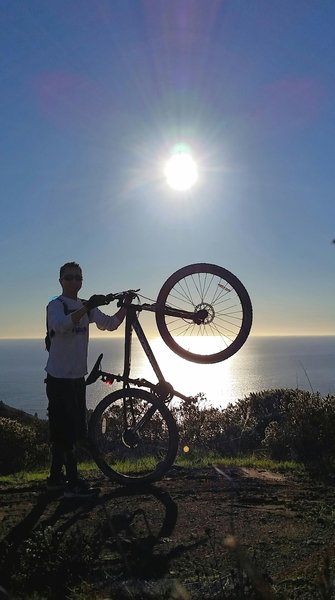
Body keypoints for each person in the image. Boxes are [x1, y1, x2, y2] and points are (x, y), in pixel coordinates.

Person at [45, 261, 129, 498]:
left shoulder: (86, 307)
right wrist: (87, 307)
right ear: (60, 280)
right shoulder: (55, 305)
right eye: (69, 277)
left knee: (71, 430)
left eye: (78, 278)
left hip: (76, 379)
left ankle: (55, 480)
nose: (74, 281)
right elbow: (60, 326)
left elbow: (110, 324)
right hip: (58, 378)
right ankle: (72, 482)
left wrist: (126, 307)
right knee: (64, 431)